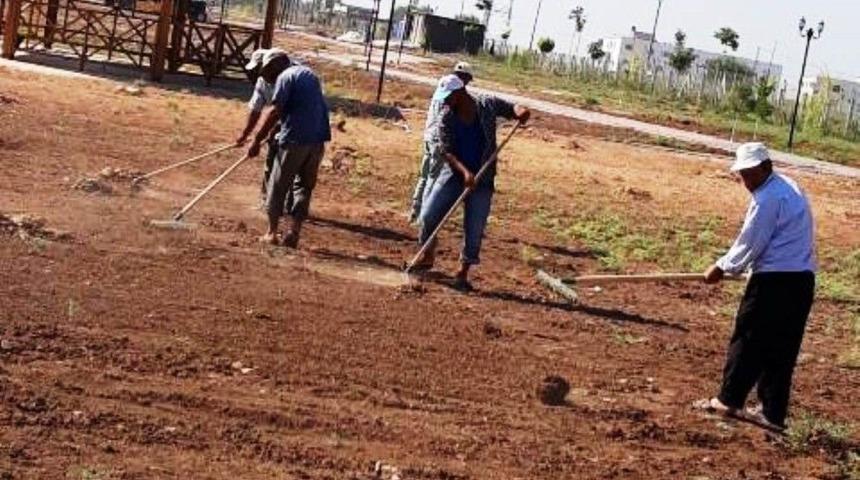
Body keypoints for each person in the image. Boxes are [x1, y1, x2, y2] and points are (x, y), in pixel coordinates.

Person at [698, 142, 817, 432]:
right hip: (801, 280)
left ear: (766, 167)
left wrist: (722, 267)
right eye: (742, 176)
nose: (747, 182)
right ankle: (772, 413)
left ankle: (728, 401)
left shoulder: (768, 198)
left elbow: (751, 241)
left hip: (775, 282)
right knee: (781, 347)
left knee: (748, 338)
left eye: (751, 174)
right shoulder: (789, 186)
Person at [410, 75, 530, 291]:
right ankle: (427, 254)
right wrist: (465, 173)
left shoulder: (486, 105)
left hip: (483, 179)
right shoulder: (446, 117)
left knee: (474, 228)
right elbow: (446, 151)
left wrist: (521, 111)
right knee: (428, 215)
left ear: (461, 92)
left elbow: (513, 108)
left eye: (448, 97)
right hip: (453, 174)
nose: (445, 103)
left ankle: (462, 273)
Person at [247, 52, 331, 248]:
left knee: (277, 185)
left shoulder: (285, 77)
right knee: (303, 186)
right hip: (318, 139)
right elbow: (300, 108)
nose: (266, 76)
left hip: (295, 140)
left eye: (267, 71)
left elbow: (275, 111)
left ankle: (272, 232)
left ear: (277, 66)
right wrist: (276, 129)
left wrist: (256, 141)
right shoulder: (308, 74)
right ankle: (294, 231)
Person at [409, 62, 475, 223]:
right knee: (433, 178)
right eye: (467, 79)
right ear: (464, 77)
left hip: (428, 135)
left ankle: (415, 211)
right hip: (439, 140)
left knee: (424, 176)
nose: (467, 83)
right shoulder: (457, 88)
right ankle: (424, 217)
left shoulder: (443, 83)